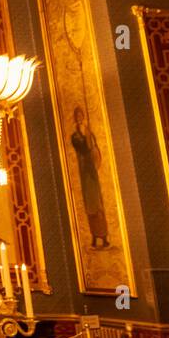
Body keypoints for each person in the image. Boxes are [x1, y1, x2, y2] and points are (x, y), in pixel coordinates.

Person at [70, 106, 110, 248]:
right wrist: (85, 136)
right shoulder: (75, 136)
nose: (80, 117)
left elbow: (94, 148)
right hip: (84, 171)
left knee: (98, 204)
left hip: (92, 171)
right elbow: (82, 148)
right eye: (78, 116)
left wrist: (89, 136)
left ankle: (104, 236)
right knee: (90, 204)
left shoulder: (89, 132)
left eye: (81, 115)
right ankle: (94, 236)